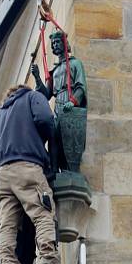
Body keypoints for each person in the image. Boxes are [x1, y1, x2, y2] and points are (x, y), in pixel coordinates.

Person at [0, 84, 72, 264]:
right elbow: (46, 119)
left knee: (7, 223)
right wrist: (43, 141)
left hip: (3, 175)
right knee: (42, 213)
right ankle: (49, 261)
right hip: (28, 166)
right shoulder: (33, 96)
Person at [31, 29, 88, 173]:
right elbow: (46, 94)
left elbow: (81, 86)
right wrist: (37, 77)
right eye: (53, 43)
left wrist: (73, 101)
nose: (55, 45)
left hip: (69, 103)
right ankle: (55, 170)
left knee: (68, 138)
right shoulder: (55, 71)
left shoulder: (75, 64)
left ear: (64, 44)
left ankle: (70, 170)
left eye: (58, 42)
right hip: (57, 106)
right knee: (54, 138)